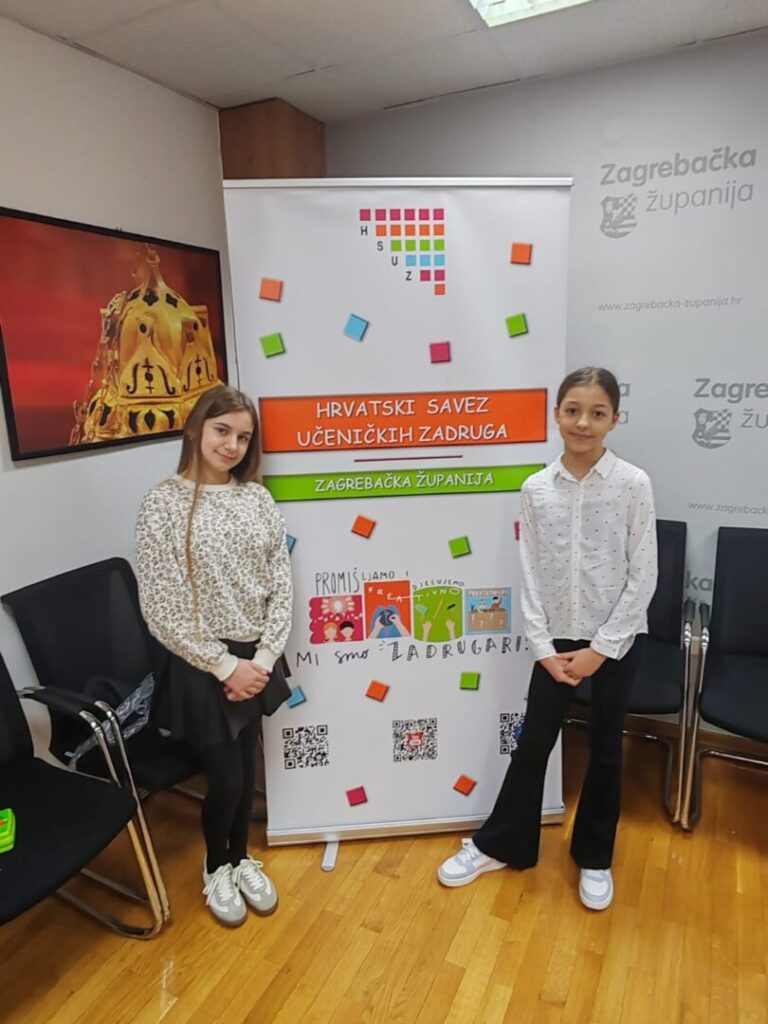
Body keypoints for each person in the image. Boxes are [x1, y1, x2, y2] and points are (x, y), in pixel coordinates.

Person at [437, 367, 657, 911]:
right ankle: (501, 844)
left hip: (616, 640)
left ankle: (595, 856)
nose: (583, 422)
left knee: (605, 747)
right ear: (556, 413)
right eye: (573, 410)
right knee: (533, 741)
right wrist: (543, 648)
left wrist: (601, 649)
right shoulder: (536, 489)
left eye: (597, 413)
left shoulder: (633, 483)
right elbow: (530, 573)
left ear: (614, 420)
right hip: (555, 641)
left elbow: (644, 573)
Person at [135, 384, 293, 927]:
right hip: (203, 662)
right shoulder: (163, 503)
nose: (232, 445)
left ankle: (241, 858)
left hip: (255, 660)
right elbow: (160, 605)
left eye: (243, 437)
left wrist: (263, 659)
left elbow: (281, 581)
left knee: (246, 769)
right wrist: (226, 666)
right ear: (195, 429)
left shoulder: (257, 499)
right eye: (222, 431)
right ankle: (216, 866)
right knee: (226, 777)